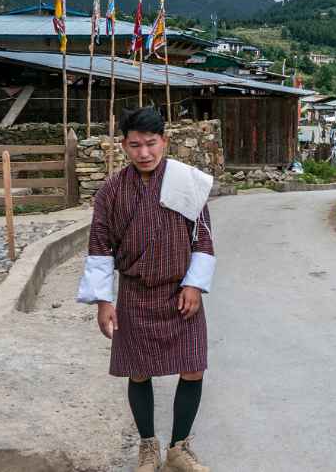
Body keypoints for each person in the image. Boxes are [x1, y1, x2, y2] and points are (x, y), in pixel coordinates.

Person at [77, 107, 216, 472]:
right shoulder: (111, 191)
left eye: (151, 144)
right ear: (123, 145)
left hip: (180, 293)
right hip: (135, 293)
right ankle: (148, 447)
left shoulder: (187, 181)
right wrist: (104, 301)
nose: (144, 153)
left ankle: (179, 448)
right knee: (139, 371)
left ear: (165, 142)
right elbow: (100, 246)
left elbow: (203, 238)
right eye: (135, 145)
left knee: (193, 368)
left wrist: (195, 285)